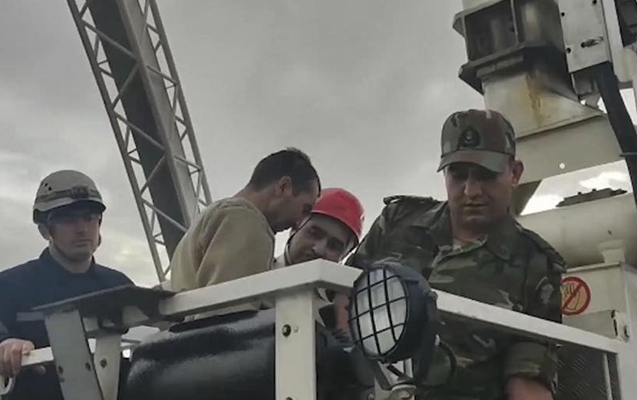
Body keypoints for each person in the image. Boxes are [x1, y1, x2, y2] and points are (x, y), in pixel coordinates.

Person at [347, 109, 565, 400]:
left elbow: (528, 380)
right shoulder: (397, 221)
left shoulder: (535, 265)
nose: (471, 191)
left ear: (514, 173)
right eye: (458, 176)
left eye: (485, 176)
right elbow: (342, 295)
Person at [0, 170, 133, 399]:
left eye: (89, 218)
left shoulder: (119, 286)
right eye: (69, 220)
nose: (82, 229)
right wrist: (5, 343)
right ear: (45, 230)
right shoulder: (9, 286)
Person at [170, 148, 321, 296]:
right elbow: (230, 307)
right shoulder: (248, 222)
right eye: (305, 209)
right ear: (283, 187)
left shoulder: (212, 215)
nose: (298, 223)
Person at [273, 188, 364, 331]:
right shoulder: (253, 274)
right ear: (296, 227)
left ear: (344, 255)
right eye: (314, 233)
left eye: (334, 246)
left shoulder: (340, 315)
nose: (319, 249)